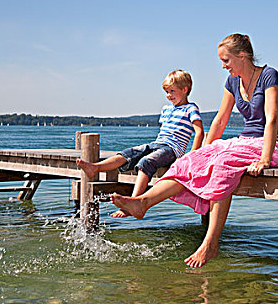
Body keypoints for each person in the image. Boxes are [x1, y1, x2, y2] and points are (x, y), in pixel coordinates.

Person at [111, 33, 278, 268]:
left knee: (224, 163)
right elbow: (219, 121)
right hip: (244, 142)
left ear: (243, 56)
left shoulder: (269, 75)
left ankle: (211, 243)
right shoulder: (232, 83)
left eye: (226, 60)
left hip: (274, 144)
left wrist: (265, 159)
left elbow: (272, 118)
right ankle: (142, 202)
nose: (223, 66)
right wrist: (201, 154)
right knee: (189, 161)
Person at [77, 69, 205, 217]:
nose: (168, 95)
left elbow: (199, 132)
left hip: (172, 149)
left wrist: (191, 156)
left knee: (146, 162)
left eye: (172, 91)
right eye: (166, 92)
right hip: (157, 143)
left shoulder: (190, 108)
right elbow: (163, 131)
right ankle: (95, 168)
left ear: (184, 89)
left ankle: (133, 202)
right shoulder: (166, 109)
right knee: (129, 153)